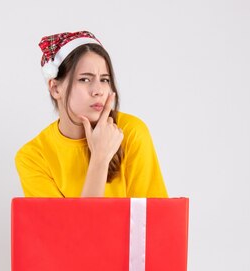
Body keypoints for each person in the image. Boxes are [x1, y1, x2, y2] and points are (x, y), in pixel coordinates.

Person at [15, 31, 168, 198]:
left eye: (104, 79)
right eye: (85, 79)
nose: (98, 91)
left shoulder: (131, 132)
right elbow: (68, 225)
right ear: (55, 88)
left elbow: (152, 219)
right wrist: (100, 159)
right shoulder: (33, 157)